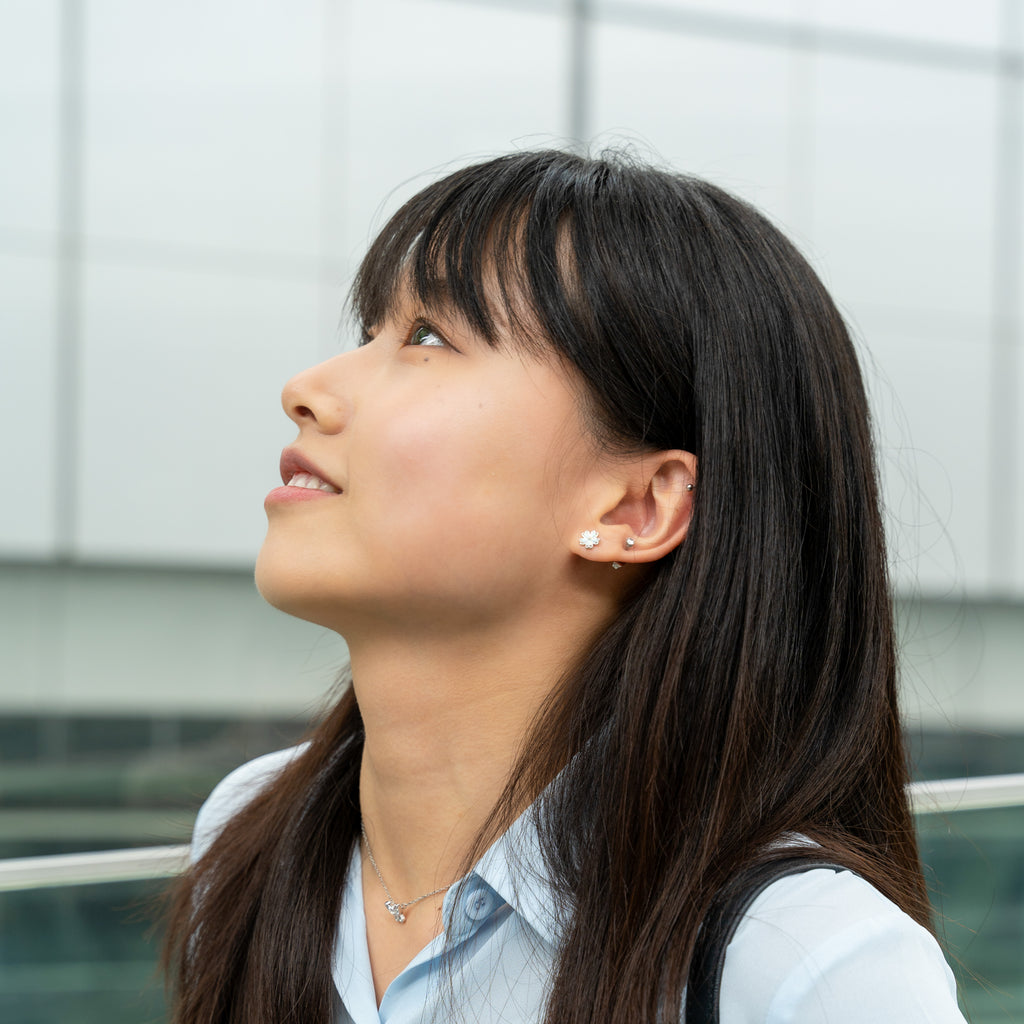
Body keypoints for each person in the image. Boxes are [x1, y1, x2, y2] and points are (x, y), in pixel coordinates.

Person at [164, 149, 967, 1023]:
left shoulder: (805, 964)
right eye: (369, 332)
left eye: (427, 336)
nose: (306, 390)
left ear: (636, 507)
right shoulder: (251, 837)